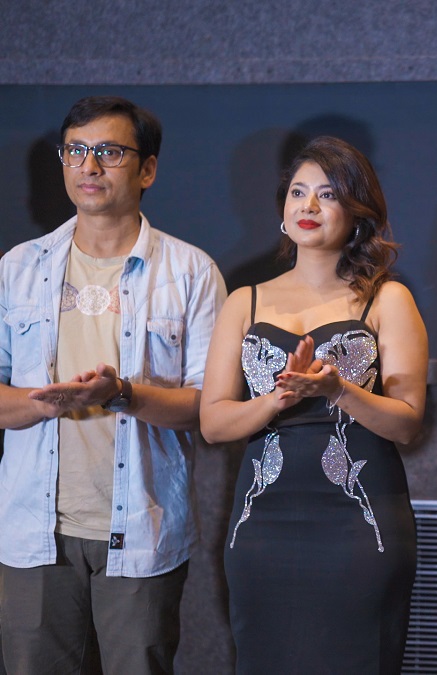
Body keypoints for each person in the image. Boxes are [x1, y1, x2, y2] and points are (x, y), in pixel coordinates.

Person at [0, 95, 227, 674]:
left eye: (109, 151)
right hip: (33, 531)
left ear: (147, 169)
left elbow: (210, 408)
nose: (89, 166)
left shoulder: (191, 272)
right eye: (75, 151)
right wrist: (44, 403)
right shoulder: (18, 268)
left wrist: (122, 394)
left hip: (142, 531)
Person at [199, 136, 428, 673]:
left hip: (359, 524)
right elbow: (213, 422)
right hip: (262, 527)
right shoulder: (244, 301)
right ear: (282, 210)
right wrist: (279, 396)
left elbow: (408, 423)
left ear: (356, 213)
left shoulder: (387, 298)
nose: (309, 206)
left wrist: (336, 390)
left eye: (328, 195)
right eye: (298, 192)